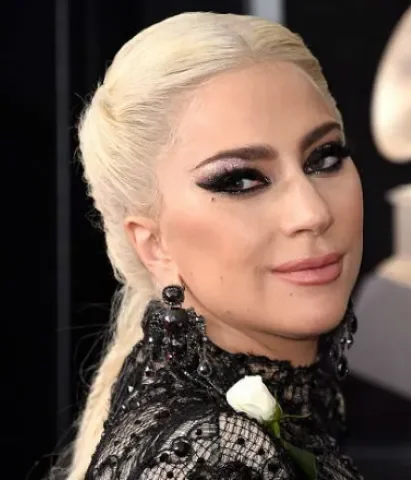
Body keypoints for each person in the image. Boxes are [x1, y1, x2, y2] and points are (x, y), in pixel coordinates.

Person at [63, 11, 364, 480]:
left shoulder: (268, 407)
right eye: (241, 180)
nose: (312, 212)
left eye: (324, 158)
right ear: (154, 244)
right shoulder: (216, 456)